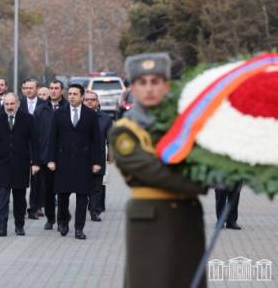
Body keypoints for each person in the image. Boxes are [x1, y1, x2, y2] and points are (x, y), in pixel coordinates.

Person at [109, 52, 208, 288]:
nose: (149, 89)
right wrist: (206, 179)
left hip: (188, 217)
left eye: (156, 81)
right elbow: (154, 172)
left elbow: (206, 157)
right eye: (142, 83)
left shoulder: (184, 125)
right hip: (150, 220)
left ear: (166, 85)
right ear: (132, 87)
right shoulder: (124, 131)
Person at [47, 84, 101, 240]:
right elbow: (52, 138)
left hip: (83, 162)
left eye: (75, 94)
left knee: (82, 197)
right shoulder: (59, 114)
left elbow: (96, 140)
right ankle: (63, 222)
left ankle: (79, 228)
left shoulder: (90, 115)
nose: (71, 96)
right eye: (69, 93)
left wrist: (97, 162)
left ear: (82, 96)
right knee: (63, 196)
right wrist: (51, 159)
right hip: (62, 161)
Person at [0, 93, 39, 237]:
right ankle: (2, 227)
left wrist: (35, 163)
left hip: (21, 164)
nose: (9, 107)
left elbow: (34, 142)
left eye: (11, 104)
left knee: (20, 200)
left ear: (18, 104)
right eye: (6, 104)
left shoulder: (28, 119)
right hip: (1, 165)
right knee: (2, 199)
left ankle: (19, 226)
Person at [33, 79, 68, 230]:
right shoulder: (41, 109)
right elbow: (35, 135)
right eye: (51, 88)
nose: (53, 91)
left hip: (64, 157)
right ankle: (50, 218)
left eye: (56, 88)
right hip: (45, 157)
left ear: (62, 90)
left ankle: (62, 220)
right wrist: (35, 157)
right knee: (47, 191)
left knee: (63, 191)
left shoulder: (68, 108)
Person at [83, 90, 112, 222]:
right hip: (80, 157)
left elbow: (110, 138)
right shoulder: (77, 116)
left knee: (97, 187)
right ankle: (82, 209)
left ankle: (94, 211)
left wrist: (111, 154)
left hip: (98, 157)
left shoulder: (105, 119)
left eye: (93, 99)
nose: (89, 101)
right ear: (83, 101)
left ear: (98, 102)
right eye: (87, 99)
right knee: (82, 186)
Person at [19, 78, 45, 219]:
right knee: (22, 180)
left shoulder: (44, 105)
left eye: (31, 88)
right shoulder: (19, 104)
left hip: (38, 148)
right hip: (22, 148)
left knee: (37, 181)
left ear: (36, 89)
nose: (28, 90)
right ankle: (21, 207)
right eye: (26, 88)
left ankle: (35, 208)